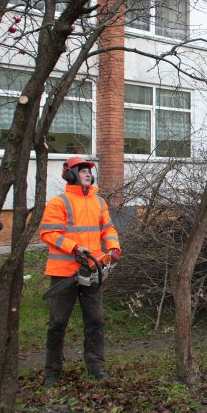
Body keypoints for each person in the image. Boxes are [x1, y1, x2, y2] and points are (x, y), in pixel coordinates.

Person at [39, 156, 122, 386]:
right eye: (82, 170)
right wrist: (74, 247)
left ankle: (96, 367)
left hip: (91, 271)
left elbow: (108, 229)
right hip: (64, 272)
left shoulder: (99, 202)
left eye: (88, 170)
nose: (87, 173)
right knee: (57, 322)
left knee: (95, 320)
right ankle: (52, 372)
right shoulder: (59, 203)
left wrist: (114, 247)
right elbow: (48, 233)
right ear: (70, 174)